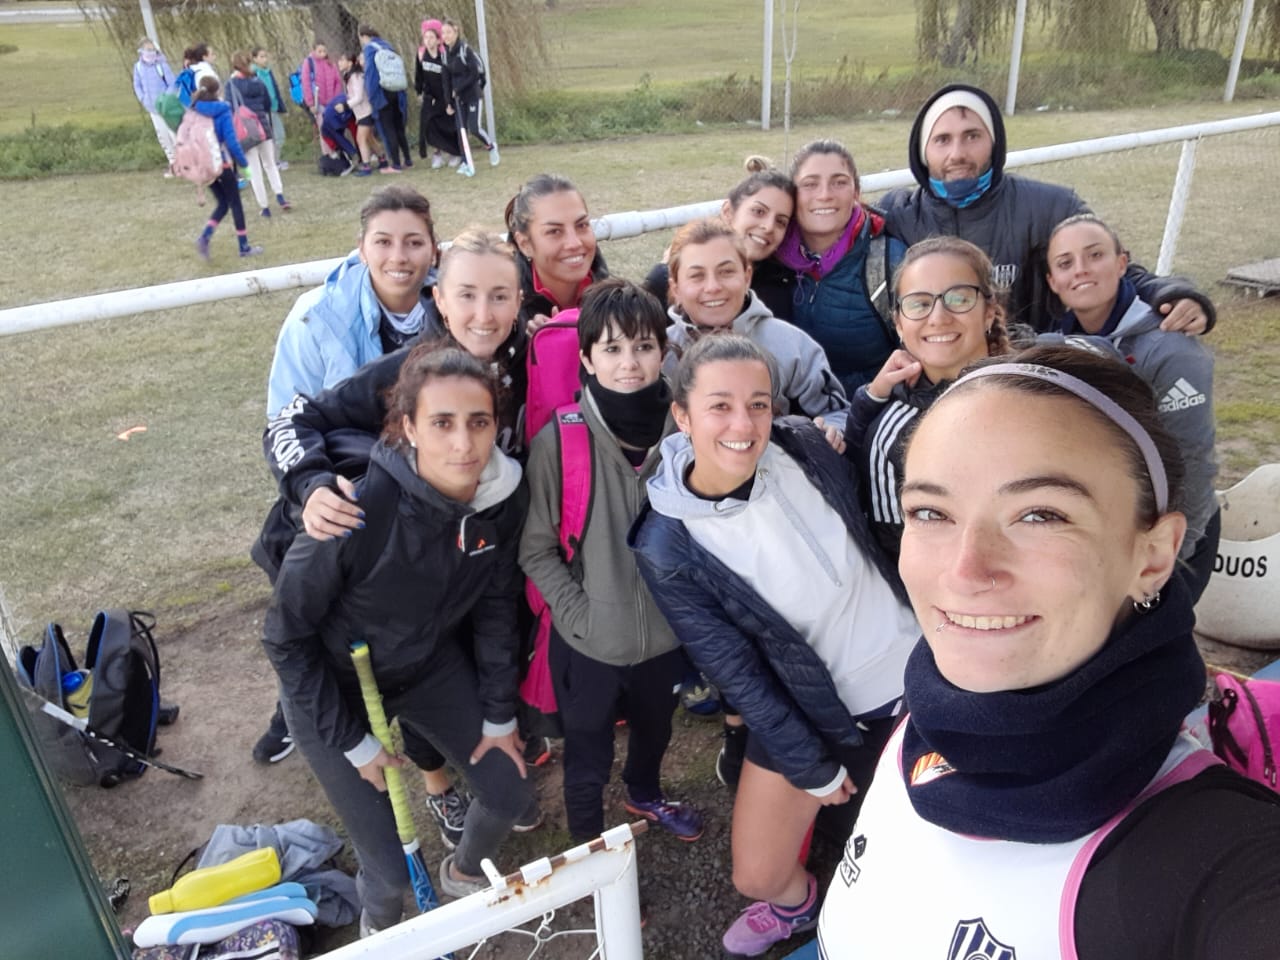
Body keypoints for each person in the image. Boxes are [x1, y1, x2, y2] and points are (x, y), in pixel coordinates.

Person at [815, 344, 1280, 959]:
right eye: (930, 511)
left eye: (1039, 515)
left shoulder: (1215, 861)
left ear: (1153, 556)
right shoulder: (924, 721)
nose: (965, 571)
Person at [631, 335, 920, 957]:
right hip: (813, 706)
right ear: (682, 415)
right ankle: (799, 908)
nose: (744, 425)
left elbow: (868, 490)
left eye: (758, 404)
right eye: (720, 406)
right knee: (757, 875)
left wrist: (863, 407)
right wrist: (810, 766)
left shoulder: (803, 443)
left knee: (911, 853)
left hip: (915, 674)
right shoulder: (667, 544)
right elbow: (737, 672)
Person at [262, 343, 541, 932]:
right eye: (441, 423)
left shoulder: (503, 501)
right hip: (334, 686)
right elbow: (284, 639)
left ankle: (463, 871)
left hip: (426, 667)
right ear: (408, 427)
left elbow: (495, 609)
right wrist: (355, 744)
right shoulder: (353, 508)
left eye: (479, 422)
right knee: (388, 873)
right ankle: (380, 926)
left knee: (510, 792)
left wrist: (498, 716)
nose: (463, 444)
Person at [520, 278, 703, 844]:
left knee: (655, 731)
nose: (629, 363)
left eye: (644, 346)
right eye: (613, 349)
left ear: (664, 351)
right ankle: (589, 851)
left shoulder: (687, 429)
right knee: (587, 756)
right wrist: (581, 615)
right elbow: (535, 549)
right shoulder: (560, 441)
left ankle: (644, 793)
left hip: (665, 640)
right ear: (586, 359)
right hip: (589, 645)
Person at [878, 82, 1216, 334]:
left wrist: (1173, 294)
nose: (957, 154)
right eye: (942, 140)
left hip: (1032, 373)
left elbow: (1111, 267)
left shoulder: (1051, 206)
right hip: (935, 375)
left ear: (994, 143)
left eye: (972, 136)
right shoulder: (898, 214)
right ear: (923, 153)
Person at [1047, 214, 1220, 600]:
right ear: (1053, 281)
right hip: (1111, 525)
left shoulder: (1172, 348)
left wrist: (1172, 555)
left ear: (1122, 263)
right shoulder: (1057, 342)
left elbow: (1193, 463)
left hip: (1174, 534)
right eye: (1065, 263)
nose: (1081, 270)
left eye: (1095, 255)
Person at [850, 236, 1010, 559]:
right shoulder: (892, 434)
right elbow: (897, 548)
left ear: (989, 312)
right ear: (899, 324)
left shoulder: (1038, 393)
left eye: (959, 298)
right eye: (919, 304)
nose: (938, 317)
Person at [663, 217, 849, 446]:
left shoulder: (791, 345)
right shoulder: (661, 354)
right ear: (676, 288)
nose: (713, 287)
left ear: (747, 276)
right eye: (697, 276)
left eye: (726, 272)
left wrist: (831, 430)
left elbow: (838, 413)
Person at [267, 185, 440, 417]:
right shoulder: (314, 318)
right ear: (362, 249)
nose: (398, 257)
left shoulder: (462, 311)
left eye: (414, 243)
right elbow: (286, 418)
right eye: (383, 242)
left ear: (433, 250)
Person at [770, 140, 896, 393]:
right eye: (810, 184)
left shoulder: (889, 261)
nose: (825, 194)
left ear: (856, 192)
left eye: (839, 182)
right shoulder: (769, 255)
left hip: (871, 407)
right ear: (792, 195)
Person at [645, 157, 796, 319]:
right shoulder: (666, 278)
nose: (769, 226)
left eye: (781, 222)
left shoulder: (780, 290)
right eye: (758, 211)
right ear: (728, 212)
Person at [504, 174, 609, 333]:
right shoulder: (507, 320)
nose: (575, 243)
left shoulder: (614, 301)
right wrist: (527, 343)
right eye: (554, 231)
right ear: (524, 244)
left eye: (581, 225)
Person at [189, 76, 261, 260]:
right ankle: (244, 246)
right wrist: (244, 164)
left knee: (222, 203)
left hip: (203, 164)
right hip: (221, 162)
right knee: (235, 203)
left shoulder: (193, 110)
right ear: (218, 91)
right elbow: (232, 141)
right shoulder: (223, 110)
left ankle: (205, 237)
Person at [227, 52, 291, 219]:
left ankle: (264, 206)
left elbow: (229, 108)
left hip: (245, 132)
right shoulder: (258, 81)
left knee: (254, 170)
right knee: (270, 164)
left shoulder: (232, 85)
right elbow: (267, 103)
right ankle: (280, 195)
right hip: (263, 127)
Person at [440, 18, 498, 177]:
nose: (446, 36)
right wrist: (448, 102)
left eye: (449, 32)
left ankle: (490, 146)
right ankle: (466, 162)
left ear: (456, 31)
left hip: (472, 95)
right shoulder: (445, 55)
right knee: (461, 131)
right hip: (458, 99)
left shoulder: (465, 50)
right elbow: (445, 80)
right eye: (443, 33)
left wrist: (459, 88)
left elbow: (474, 74)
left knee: (474, 128)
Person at [358, 25, 412, 173]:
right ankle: (408, 160)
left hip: (382, 92)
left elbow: (371, 74)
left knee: (388, 128)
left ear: (363, 36)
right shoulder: (388, 46)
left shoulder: (369, 49)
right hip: (397, 90)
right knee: (398, 127)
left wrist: (372, 96)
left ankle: (395, 164)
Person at [415, 19, 460, 168]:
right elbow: (419, 74)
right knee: (429, 125)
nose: (428, 41)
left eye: (431, 37)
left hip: (444, 95)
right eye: (425, 37)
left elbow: (452, 75)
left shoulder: (444, 54)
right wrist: (419, 91)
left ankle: (454, 153)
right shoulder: (421, 54)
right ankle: (437, 154)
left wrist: (452, 94)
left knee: (448, 125)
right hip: (430, 96)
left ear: (438, 39)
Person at [132, 38, 177, 173]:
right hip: (152, 108)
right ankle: (173, 162)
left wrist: (165, 99)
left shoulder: (162, 65)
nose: (150, 52)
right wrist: (143, 98)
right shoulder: (138, 67)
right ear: (141, 51)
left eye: (152, 49)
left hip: (166, 107)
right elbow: (137, 85)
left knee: (173, 134)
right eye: (148, 49)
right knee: (163, 136)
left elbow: (172, 84)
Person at [334, 51, 380, 176]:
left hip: (366, 112)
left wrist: (345, 106)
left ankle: (366, 166)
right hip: (360, 113)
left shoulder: (356, 77)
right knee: (370, 138)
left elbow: (359, 97)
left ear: (350, 63)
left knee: (361, 139)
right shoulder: (349, 76)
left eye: (342, 60)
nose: (339, 62)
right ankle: (382, 159)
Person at [249, 46, 289, 162]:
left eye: (265, 56)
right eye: (261, 57)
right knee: (268, 137)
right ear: (255, 59)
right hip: (262, 110)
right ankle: (270, 161)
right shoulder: (253, 73)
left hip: (273, 108)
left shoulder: (268, 72)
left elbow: (274, 90)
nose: (265, 59)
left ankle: (275, 160)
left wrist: (281, 106)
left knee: (279, 135)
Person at [299, 41, 344, 122]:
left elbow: (337, 81)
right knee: (324, 125)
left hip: (332, 102)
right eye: (319, 51)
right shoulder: (309, 63)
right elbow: (306, 84)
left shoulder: (330, 62)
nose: (322, 54)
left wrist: (336, 97)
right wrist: (311, 103)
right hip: (318, 102)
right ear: (314, 51)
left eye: (324, 51)